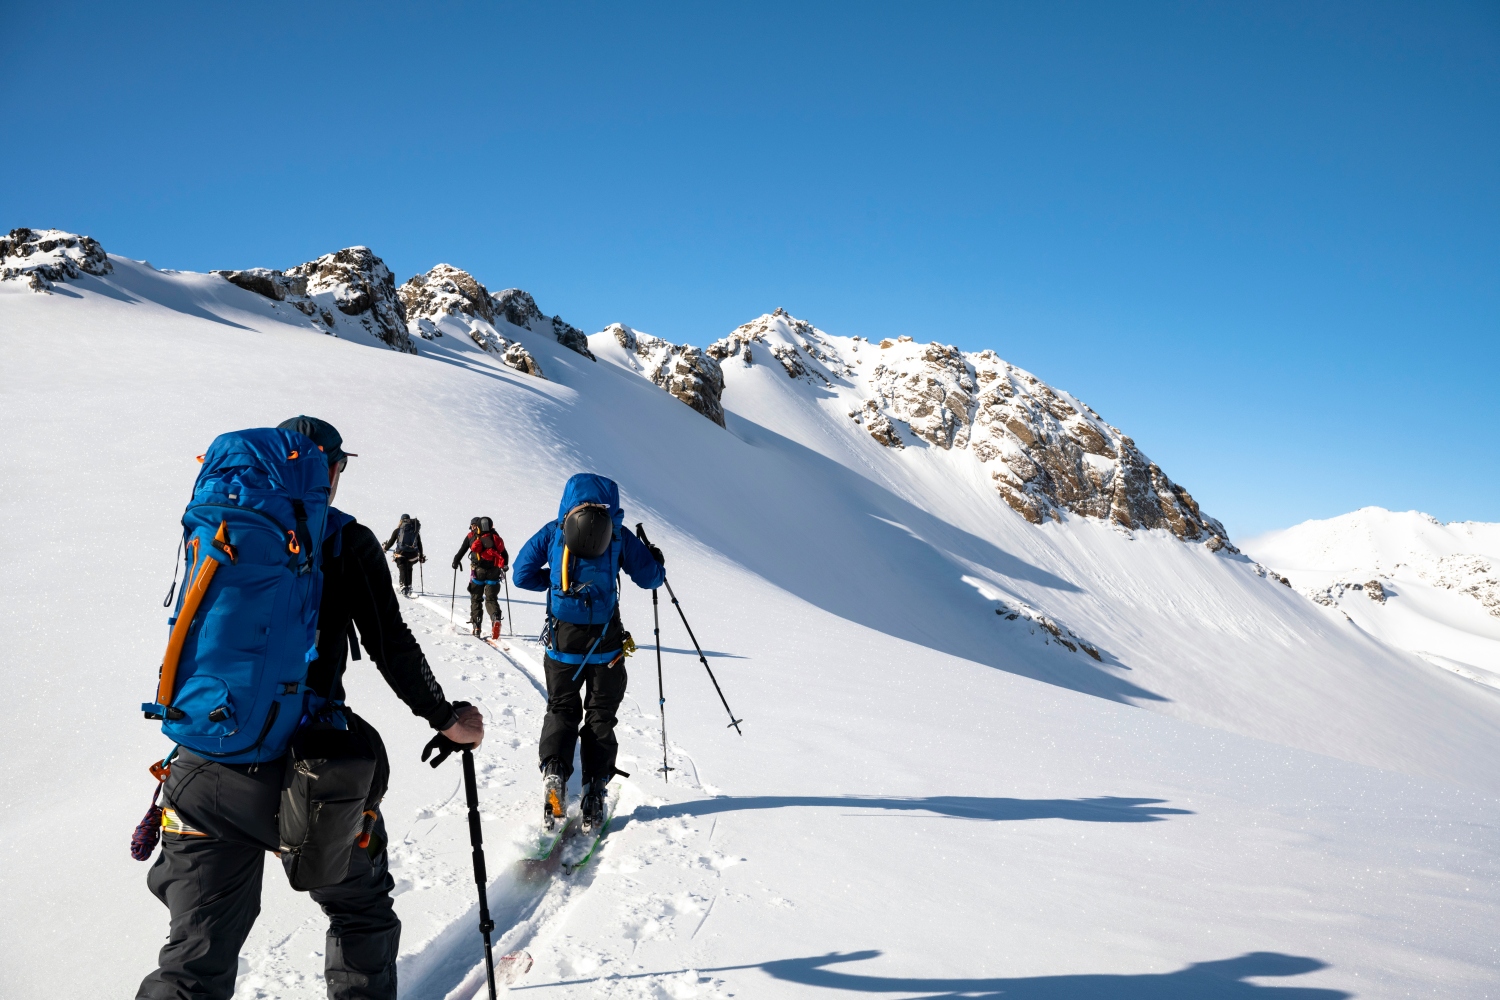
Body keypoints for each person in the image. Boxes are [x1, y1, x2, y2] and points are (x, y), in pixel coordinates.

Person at [136, 416, 484, 1000]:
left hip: (200, 765)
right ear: (329, 469)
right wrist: (449, 719)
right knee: (361, 915)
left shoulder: (223, 523)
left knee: (194, 960)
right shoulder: (348, 539)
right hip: (305, 777)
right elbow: (391, 644)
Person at [511, 473, 664, 831]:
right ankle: (594, 789)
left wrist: (552, 580)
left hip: (562, 644)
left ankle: (554, 774)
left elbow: (520, 574)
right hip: (606, 647)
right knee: (600, 714)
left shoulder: (555, 530)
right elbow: (650, 578)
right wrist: (655, 559)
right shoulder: (618, 533)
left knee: (562, 709)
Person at [452, 516, 508, 639]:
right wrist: (505, 566)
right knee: (491, 598)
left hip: (478, 571)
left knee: (476, 598)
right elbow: (504, 554)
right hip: (494, 571)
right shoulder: (494, 536)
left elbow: (461, 551)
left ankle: (477, 626)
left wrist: (455, 562)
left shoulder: (471, 537)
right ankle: (495, 618)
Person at [382, 513, 426, 597]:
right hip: (413, 555)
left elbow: (391, 542)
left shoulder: (398, 530)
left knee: (402, 567)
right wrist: (421, 556)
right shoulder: (415, 530)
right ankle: (409, 586)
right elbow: (420, 545)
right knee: (409, 567)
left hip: (401, 554)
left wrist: (385, 549)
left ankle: (403, 586)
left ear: (401, 521)